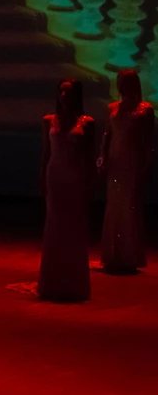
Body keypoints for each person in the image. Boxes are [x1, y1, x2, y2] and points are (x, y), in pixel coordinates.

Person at [36, 79, 97, 302]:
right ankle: (53, 281)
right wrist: (42, 178)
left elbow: (90, 155)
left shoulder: (87, 122)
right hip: (55, 175)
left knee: (74, 226)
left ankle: (72, 283)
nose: (63, 95)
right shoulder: (49, 120)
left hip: (75, 176)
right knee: (54, 225)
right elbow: (46, 152)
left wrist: (91, 181)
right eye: (60, 91)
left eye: (67, 92)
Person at [98, 70, 152, 274]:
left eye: (125, 81)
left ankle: (129, 256)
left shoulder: (146, 109)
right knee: (114, 207)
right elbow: (106, 136)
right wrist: (102, 158)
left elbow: (149, 141)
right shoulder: (112, 108)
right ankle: (113, 254)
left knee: (130, 207)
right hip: (115, 162)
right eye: (120, 81)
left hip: (132, 162)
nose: (121, 85)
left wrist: (146, 164)